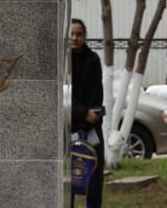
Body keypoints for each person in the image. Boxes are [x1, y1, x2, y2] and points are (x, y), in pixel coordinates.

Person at [69, 18, 104, 208]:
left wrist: (92, 116)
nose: (75, 38)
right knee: (69, 177)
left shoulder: (93, 59)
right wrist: (82, 114)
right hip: (70, 123)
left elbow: (97, 92)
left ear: (84, 36)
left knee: (94, 176)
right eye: (71, 34)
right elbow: (63, 93)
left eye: (79, 34)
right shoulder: (61, 60)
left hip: (91, 125)